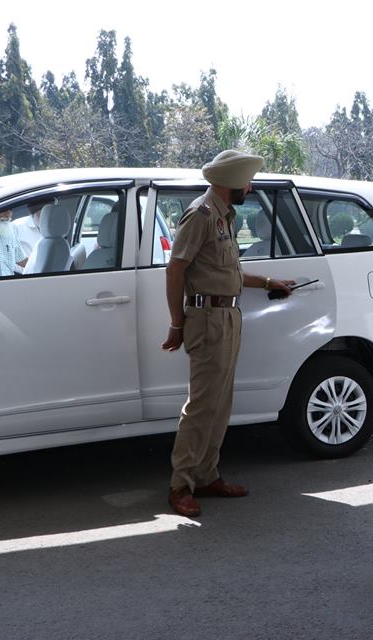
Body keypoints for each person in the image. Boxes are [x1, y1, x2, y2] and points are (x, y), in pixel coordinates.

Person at [161, 149, 296, 518]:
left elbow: (230, 273)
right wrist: (177, 323)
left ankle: (206, 475)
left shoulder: (225, 217)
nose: (249, 188)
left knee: (220, 405)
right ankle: (181, 485)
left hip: (227, 315)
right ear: (232, 182)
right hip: (206, 317)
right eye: (247, 182)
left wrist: (269, 281)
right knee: (202, 405)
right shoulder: (201, 215)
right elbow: (175, 271)